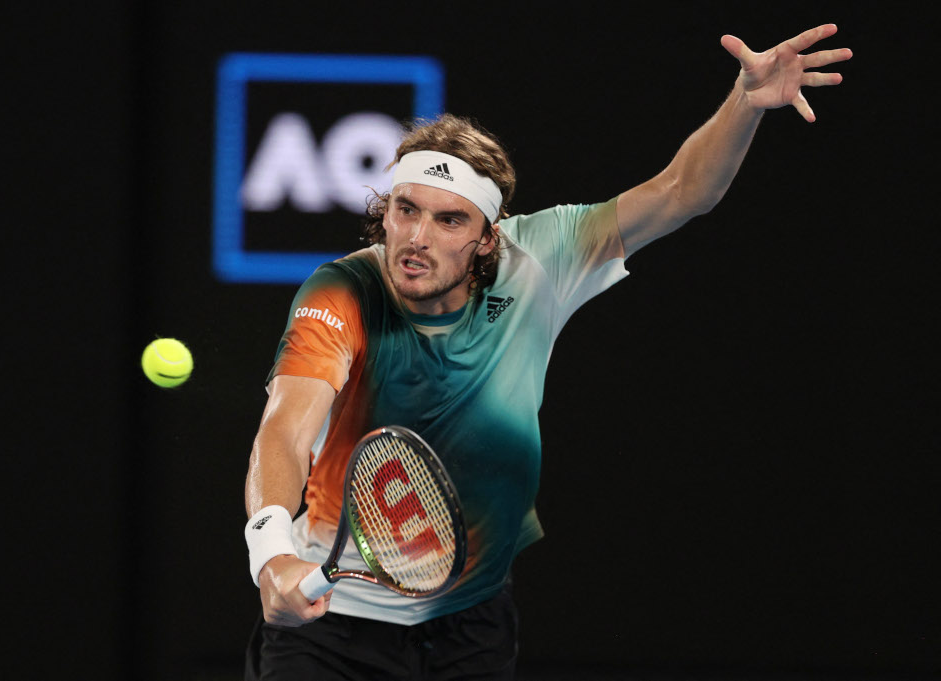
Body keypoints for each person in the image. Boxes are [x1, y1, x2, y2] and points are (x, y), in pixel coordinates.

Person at [243, 24, 852, 681]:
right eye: (405, 210)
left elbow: (682, 192)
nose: (416, 237)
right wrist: (271, 549)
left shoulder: (538, 259)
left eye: (449, 220)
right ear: (385, 211)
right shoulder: (343, 290)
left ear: (487, 238)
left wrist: (746, 102)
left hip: (470, 625)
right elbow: (287, 424)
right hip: (328, 631)